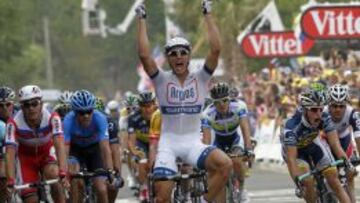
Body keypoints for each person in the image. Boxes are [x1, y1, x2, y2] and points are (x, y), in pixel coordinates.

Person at [136, 0, 232, 202]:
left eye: (183, 53)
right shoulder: (161, 79)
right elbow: (144, 55)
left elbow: (215, 49)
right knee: (162, 197)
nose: (178, 57)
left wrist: (208, 15)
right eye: (173, 54)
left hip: (192, 143)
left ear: (189, 57)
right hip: (168, 145)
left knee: (225, 165)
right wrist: (141, 20)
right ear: (168, 59)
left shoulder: (201, 78)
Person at [280, 87, 354, 203]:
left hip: (312, 144)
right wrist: (297, 181)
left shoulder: (324, 116)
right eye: (314, 110)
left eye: (320, 109)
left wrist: (346, 161)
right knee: (308, 181)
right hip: (297, 153)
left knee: (335, 181)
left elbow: (335, 143)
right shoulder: (292, 127)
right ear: (304, 110)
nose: (318, 114)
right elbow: (291, 159)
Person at [5, 85, 68, 203]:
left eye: (34, 103)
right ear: (21, 107)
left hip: (46, 154)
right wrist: (10, 180)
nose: (31, 108)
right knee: (31, 200)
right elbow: (9, 153)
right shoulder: (13, 123)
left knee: (55, 176)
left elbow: (59, 145)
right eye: (26, 105)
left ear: (41, 103)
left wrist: (63, 172)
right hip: (26, 160)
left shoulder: (52, 117)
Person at [201, 82, 253, 202]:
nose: (222, 105)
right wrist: (204, 157)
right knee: (215, 168)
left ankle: (241, 188)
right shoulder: (207, 114)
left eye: (224, 100)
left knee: (236, 161)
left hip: (235, 138)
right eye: (217, 102)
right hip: (218, 141)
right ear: (213, 103)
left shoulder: (239, 106)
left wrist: (248, 148)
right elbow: (207, 140)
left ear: (229, 99)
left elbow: (245, 129)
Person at [64, 90, 114, 203]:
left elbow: (105, 148)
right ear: (75, 112)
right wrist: (65, 172)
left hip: (94, 150)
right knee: (76, 182)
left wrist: (109, 171)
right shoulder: (68, 120)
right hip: (75, 150)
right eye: (82, 113)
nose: (86, 115)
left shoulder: (100, 118)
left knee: (101, 189)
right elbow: (65, 149)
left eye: (89, 111)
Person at [326, 84, 360, 203]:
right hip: (326, 141)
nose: (338, 109)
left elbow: (358, 138)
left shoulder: (352, 113)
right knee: (330, 173)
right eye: (334, 106)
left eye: (341, 106)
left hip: (344, 140)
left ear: (346, 105)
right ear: (329, 105)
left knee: (349, 175)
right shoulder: (323, 112)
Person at [127, 91, 157, 202]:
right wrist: (134, 151)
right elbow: (131, 140)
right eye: (144, 106)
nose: (147, 109)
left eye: (149, 105)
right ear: (139, 106)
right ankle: (144, 188)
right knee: (142, 161)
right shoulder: (133, 118)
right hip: (141, 142)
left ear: (154, 104)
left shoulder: (160, 114)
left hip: (157, 141)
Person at [119, 93, 139, 190]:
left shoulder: (142, 113)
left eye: (134, 108)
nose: (131, 111)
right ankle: (131, 176)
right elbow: (123, 135)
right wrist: (123, 150)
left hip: (140, 135)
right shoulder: (123, 115)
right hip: (129, 134)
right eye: (128, 108)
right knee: (128, 153)